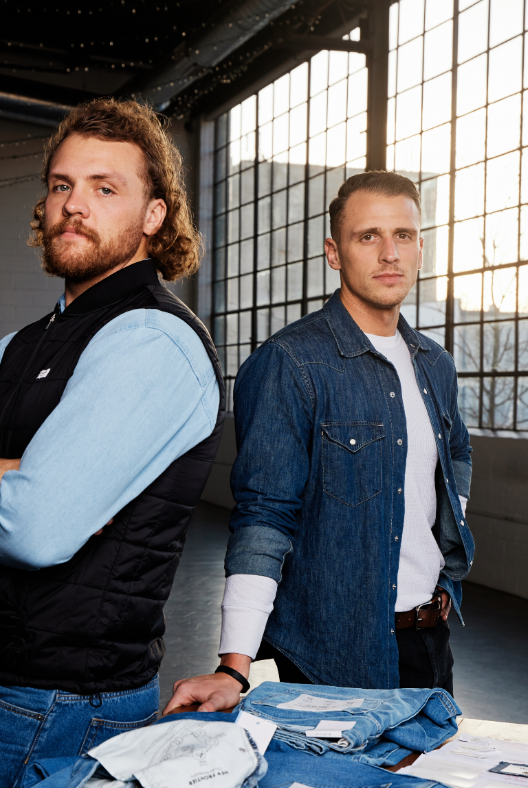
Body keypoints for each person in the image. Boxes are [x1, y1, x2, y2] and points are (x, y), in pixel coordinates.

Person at [0, 98, 223, 787]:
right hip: (2, 690)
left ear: (154, 216)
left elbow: (37, 531)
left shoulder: (150, 340)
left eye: (106, 188)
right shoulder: (21, 346)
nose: (76, 204)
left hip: (66, 707)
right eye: (61, 185)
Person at [166, 171, 474, 714]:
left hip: (427, 644)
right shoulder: (290, 363)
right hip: (330, 656)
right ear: (334, 252)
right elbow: (264, 516)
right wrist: (233, 668)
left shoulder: (437, 366)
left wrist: (445, 572)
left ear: (421, 248)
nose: (388, 253)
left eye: (403, 235)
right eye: (367, 236)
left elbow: (455, 461)